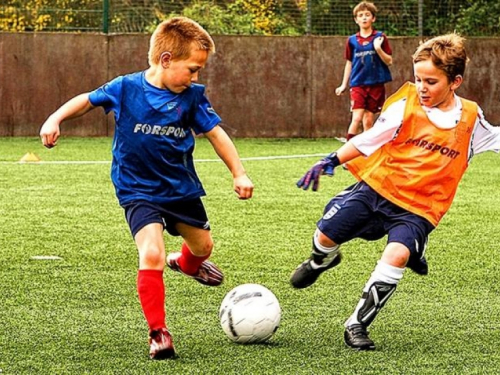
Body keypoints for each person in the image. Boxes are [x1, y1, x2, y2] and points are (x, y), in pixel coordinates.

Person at [40, 16, 254, 360]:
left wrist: (239, 173)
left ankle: (185, 264)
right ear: (166, 60)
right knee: (150, 253)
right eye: (192, 69)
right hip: (136, 188)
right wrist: (55, 118)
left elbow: (216, 134)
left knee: (203, 247)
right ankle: (158, 333)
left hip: (180, 189)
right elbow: (87, 100)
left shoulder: (192, 97)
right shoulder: (125, 88)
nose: (196, 77)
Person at [292, 33, 500, 350]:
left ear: (455, 81)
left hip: (420, 209)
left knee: (398, 254)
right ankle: (321, 261)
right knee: (325, 236)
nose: (422, 87)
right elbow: (370, 139)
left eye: (431, 81)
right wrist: (331, 159)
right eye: (418, 79)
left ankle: (357, 324)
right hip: (378, 189)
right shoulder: (406, 106)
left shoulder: (471, 118)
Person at [335, 1, 393, 143]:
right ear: (356, 20)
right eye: (360, 15)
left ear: (373, 18)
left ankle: (367, 155)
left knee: (368, 121)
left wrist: (378, 49)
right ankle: (347, 156)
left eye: (367, 15)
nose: (364, 18)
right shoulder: (352, 41)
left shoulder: (380, 37)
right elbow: (349, 63)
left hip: (375, 84)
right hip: (358, 84)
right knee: (357, 118)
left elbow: (389, 61)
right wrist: (343, 85)